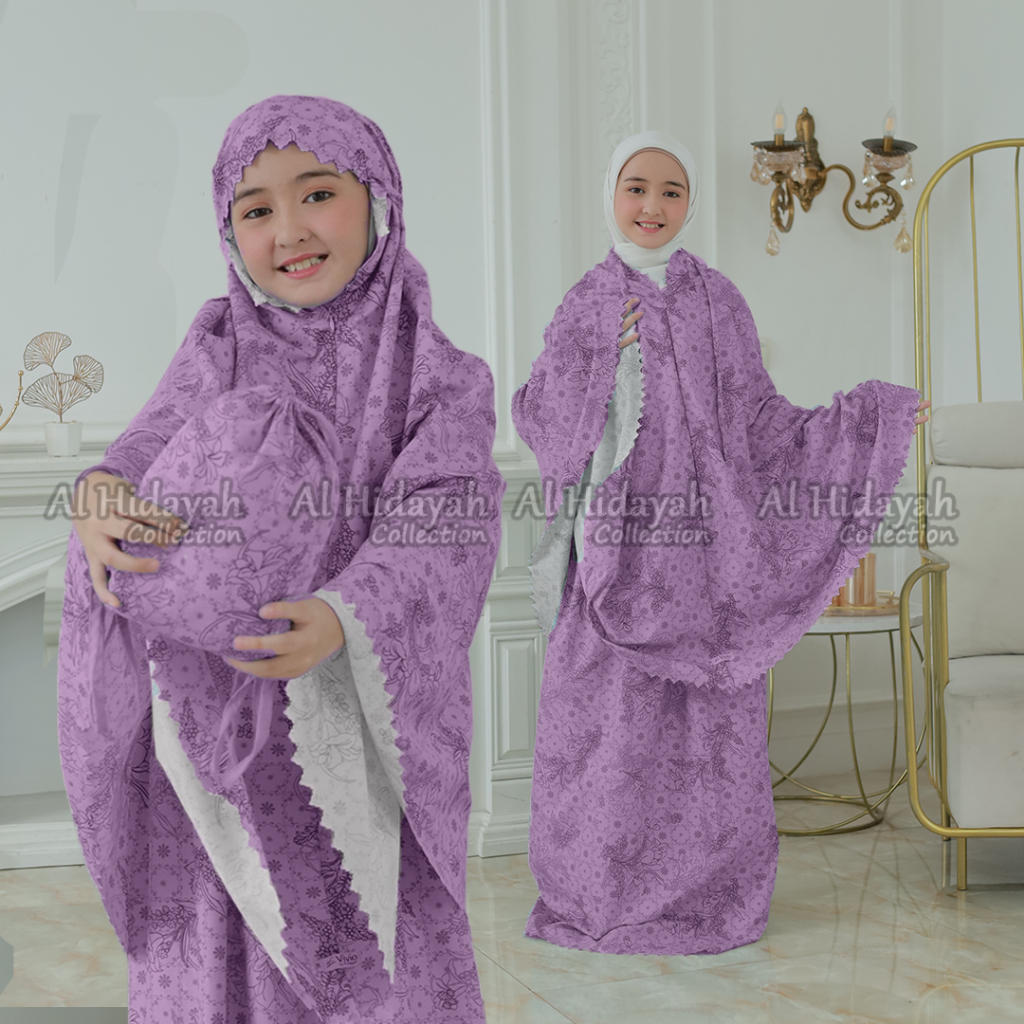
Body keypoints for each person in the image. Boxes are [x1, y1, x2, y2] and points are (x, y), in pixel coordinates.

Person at [59, 94, 504, 1022]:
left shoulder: (440, 378)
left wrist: (345, 614)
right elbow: (143, 454)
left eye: (319, 194)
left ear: (378, 197)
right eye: (256, 209)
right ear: (229, 232)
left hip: (358, 722)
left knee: (363, 928)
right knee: (228, 926)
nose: (290, 230)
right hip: (215, 728)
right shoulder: (217, 346)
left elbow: (447, 517)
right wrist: (100, 498)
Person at [511, 130, 929, 955]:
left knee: (704, 729)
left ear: (690, 201)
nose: (652, 206)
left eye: (671, 191)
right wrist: (596, 360)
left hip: (709, 561)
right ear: (611, 195)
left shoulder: (719, 300)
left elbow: (760, 423)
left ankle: (705, 891)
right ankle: (601, 891)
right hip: (613, 557)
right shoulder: (588, 303)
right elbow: (539, 415)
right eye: (637, 188)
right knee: (606, 728)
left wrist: (866, 421)